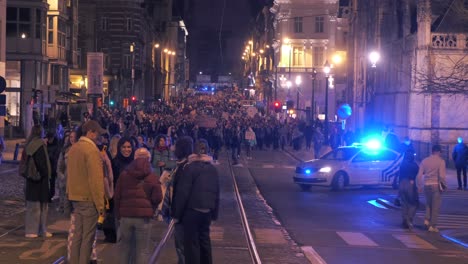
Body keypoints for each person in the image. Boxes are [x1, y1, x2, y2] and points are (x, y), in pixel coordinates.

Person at [172, 138, 220, 264]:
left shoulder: (190, 168)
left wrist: (177, 214)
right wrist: (214, 213)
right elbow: (216, 192)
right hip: (207, 211)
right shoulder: (212, 169)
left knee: (191, 244)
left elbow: (183, 193)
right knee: (204, 241)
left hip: (192, 212)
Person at [67, 120, 106, 264]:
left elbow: (69, 174)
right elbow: (96, 181)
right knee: (88, 238)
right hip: (89, 199)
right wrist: (101, 206)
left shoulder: (74, 148)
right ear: (91, 132)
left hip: (76, 197)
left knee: (77, 235)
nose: (98, 137)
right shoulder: (91, 150)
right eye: (97, 134)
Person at [114, 148, 162, 264]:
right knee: (142, 251)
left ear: (134, 158)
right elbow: (157, 197)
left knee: (125, 250)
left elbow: (117, 196)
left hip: (126, 217)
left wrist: (118, 214)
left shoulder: (124, 174)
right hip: (144, 218)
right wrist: (151, 208)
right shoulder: (152, 176)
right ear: (149, 159)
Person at [23, 125, 52, 238]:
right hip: (40, 180)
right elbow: (42, 163)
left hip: (31, 179)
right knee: (41, 207)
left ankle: (32, 230)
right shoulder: (40, 145)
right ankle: (38, 230)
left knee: (32, 206)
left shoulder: (29, 145)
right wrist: (46, 173)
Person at [107, 137, 136, 243]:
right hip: (119, 201)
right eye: (124, 147)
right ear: (119, 148)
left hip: (133, 201)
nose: (126, 149)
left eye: (129, 147)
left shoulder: (136, 162)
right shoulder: (114, 162)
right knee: (120, 232)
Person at [416, 145, 446, 232]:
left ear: (432, 151)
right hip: (436, 185)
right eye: (440, 152)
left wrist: (419, 185)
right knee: (435, 206)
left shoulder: (424, 161)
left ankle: (426, 220)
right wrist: (444, 185)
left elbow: (419, 175)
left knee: (428, 204)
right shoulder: (441, 161)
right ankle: (432, 226)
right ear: (438, 152)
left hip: (426, 185)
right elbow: (442, 176)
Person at [56, 130, 77, 214]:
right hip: (66, 185)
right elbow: (59, 166)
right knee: (66, 211)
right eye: (71, 137)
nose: (72, 139)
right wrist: (62, 177)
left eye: (74, 137)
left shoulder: (80, 150)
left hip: (76, 186)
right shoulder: (65, 150)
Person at [398, 150, 419, 229]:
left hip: (402, 183)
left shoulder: (402, 164)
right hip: (410, 184)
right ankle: (409, 219)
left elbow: (399, 174)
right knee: (413, 203)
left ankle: (404, 219)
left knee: (404, 203)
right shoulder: (414, 165)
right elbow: (419, 172)